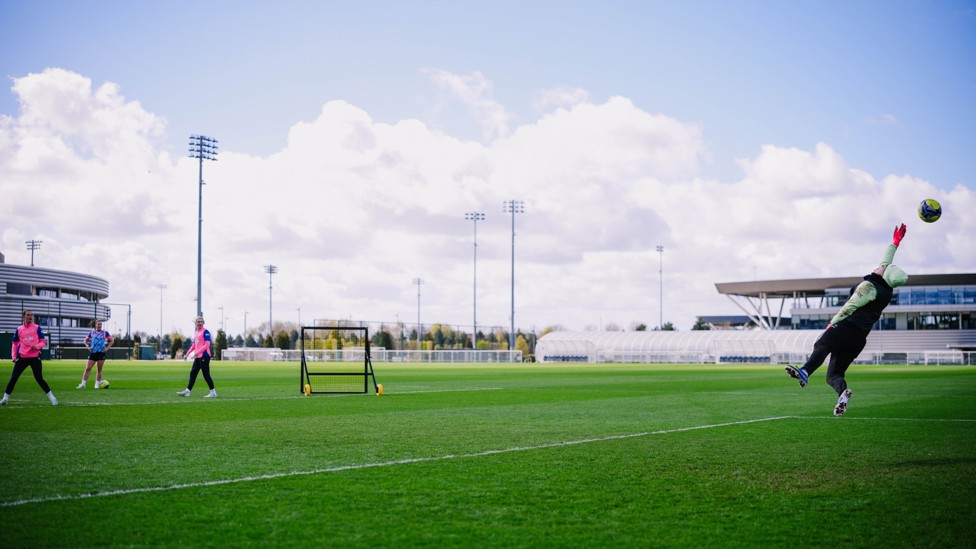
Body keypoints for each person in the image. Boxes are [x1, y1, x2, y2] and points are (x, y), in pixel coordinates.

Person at [786, 223, 909, 416]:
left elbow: (850, 306)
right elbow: (886, 262)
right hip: (859, 338)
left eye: (882, 267)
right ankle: (842, 393)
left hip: (847, 327)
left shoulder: (869, 287)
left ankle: (805, 371)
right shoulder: (886, 289)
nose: (879, 266)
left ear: (884, 274)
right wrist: (895, 243)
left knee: (822, 344)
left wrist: (832, 323)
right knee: (834, 375)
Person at [2, 310, 58, 406]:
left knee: (39, 378)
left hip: (35, 358)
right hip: (22, 358)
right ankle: (5, 399)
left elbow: (43, 341)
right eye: (28, 315)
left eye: (32, 315)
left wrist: (36, 346)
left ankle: (52, 398)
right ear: (23, 316)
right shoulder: (19, 329)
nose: (30, 316)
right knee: (13, 378)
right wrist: (14, 356)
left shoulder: (37, 328)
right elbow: (14, 344)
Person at [177, 316, 216, 398]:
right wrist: (187, 354)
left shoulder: (206, 332)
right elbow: (194, 345)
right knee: (193, 373)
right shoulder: (196, 333)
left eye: (201, 321)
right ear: (195, 323)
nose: (200, 323)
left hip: (204, 356)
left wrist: (197, 352)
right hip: (198, 357)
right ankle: (187, 391)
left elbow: (207, 345)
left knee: (206, 375)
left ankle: (213, 392)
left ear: (203, 323)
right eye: (198, 321)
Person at [77, 319, 114, 389]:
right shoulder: (92, 333)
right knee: (88, 368)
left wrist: (107, 348)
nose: (99, 325)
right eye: (98, 324)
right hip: (93, 353)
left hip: (101, 353)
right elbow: (85, 340)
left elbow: (112, 340)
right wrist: (88, 346)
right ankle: (83, 384)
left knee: (99, 369)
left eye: (100, 324)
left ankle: (96, 385)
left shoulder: (105, 333)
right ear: (95, 325)